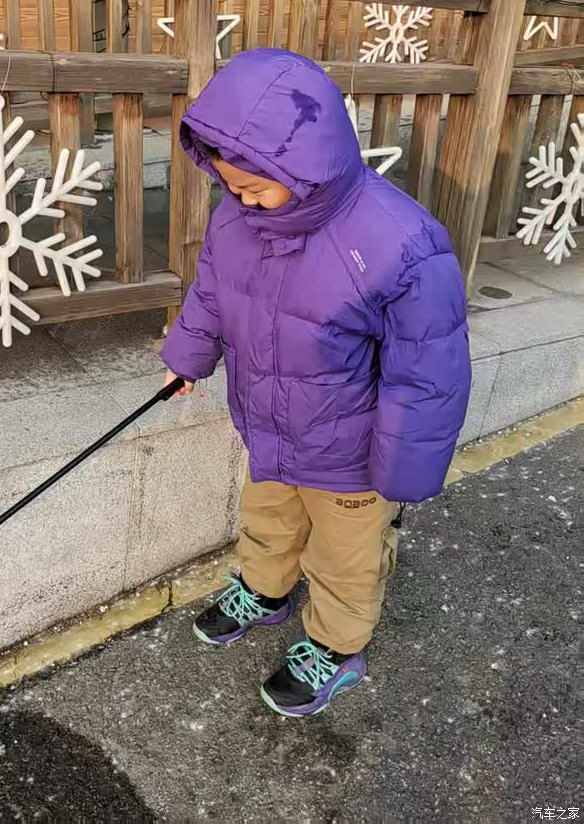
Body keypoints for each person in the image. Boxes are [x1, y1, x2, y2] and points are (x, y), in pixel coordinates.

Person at [161, 48, 471, 718]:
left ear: (302, 168)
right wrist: (187, 354)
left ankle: (337, 643)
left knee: (345, 555)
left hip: (352, 453)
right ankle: (266, 588)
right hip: (271, 423)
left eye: (256, 187)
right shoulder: (235, 218)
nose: (242, 199)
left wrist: (402, 471)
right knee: (268, 516)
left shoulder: (400, 243)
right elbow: (213, 290)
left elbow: (428, 371)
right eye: (231, 185)